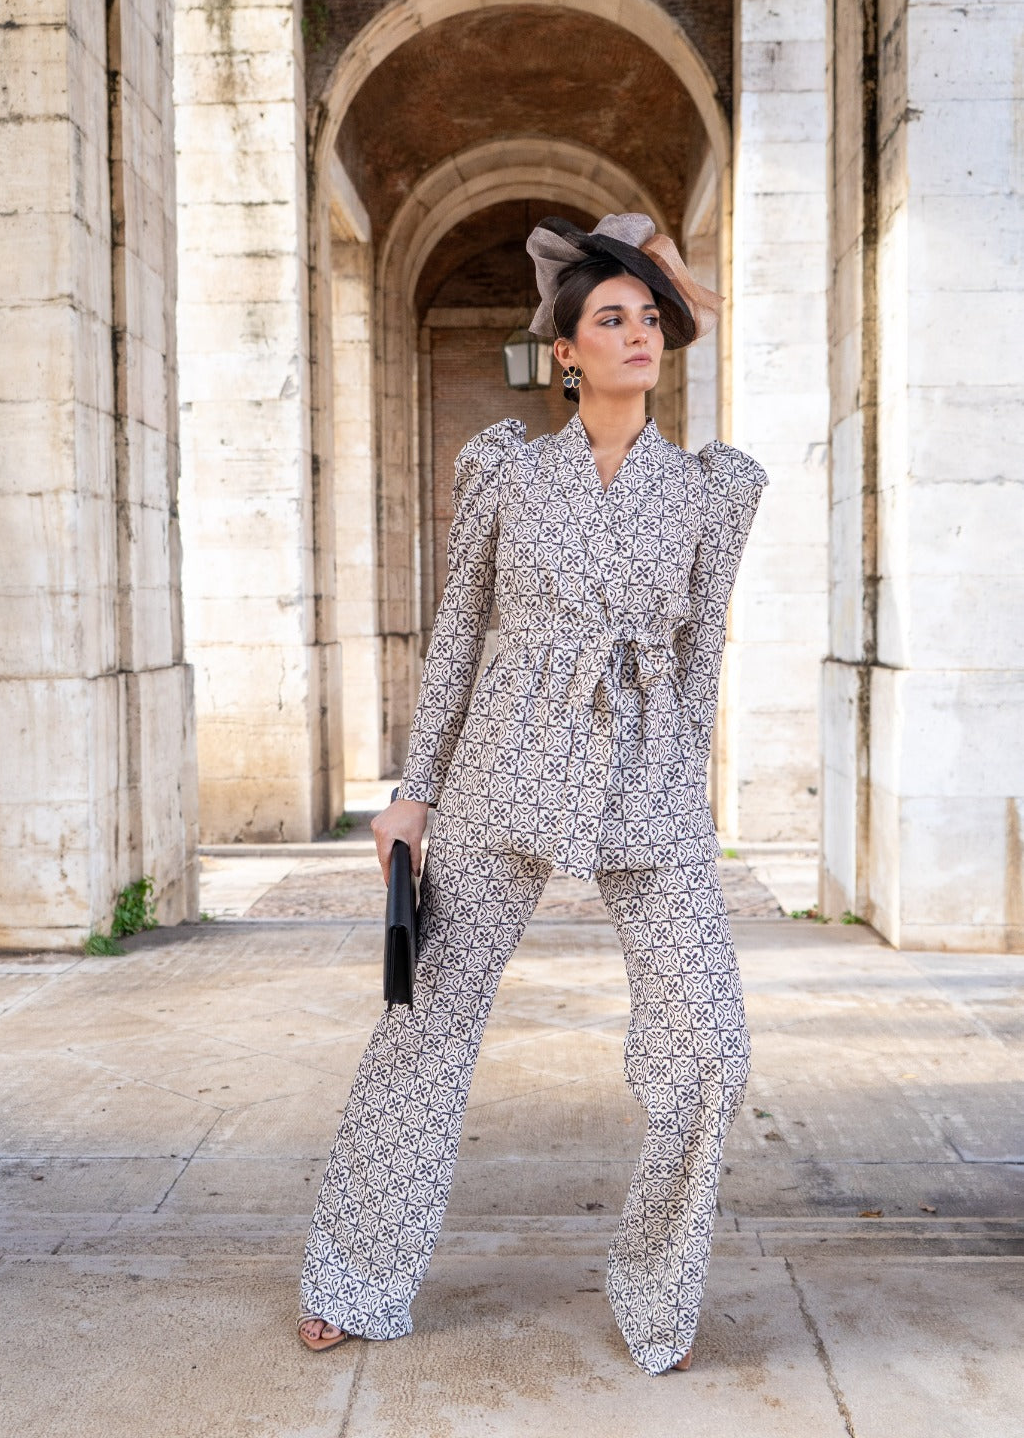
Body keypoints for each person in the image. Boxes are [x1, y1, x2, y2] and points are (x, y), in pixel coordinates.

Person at [297, 212, 770, 1376]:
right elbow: (461, 634)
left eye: (650, 317)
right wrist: (413, 792)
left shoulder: (709, 491)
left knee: (710, 1042)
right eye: (610, 318)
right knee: (422, 1027)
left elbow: (700, 657)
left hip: (650, 781)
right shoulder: (505, 470)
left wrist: (689, 799)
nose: (638, 333)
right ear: (564, 350)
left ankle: (657, 1286)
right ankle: (356, 1273)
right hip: (502, 767)